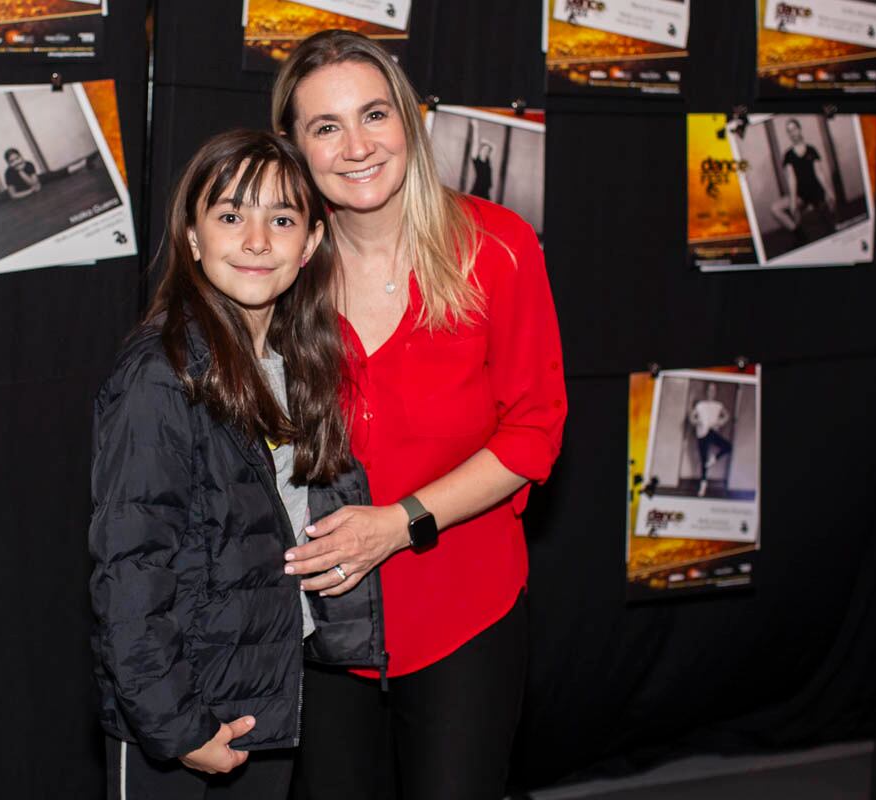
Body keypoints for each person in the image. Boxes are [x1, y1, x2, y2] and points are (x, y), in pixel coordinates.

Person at [271, 29, 567, 800]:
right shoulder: (276, 269)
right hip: (319, 624)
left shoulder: (498, 248)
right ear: (296, 150)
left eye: (375, 115)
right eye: (326, 127)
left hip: (464, 611)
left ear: (410, 119)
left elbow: (534, 433)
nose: (357, 145)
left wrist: (397, 523)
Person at [88, 130, 386, 800]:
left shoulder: (299, 364)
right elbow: (129, 570)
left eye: (281, 220)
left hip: (264, 695)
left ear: (310, 243)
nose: (257, 241)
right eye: (230, 216)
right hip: (181, 713)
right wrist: (176, 726)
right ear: (193, 237)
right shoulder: (161, 376)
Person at [769, 118, 836, 236]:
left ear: (799, 130)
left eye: (794, 129)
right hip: (800, 196)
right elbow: (792, 179)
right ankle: (797, 232)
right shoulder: (788, 155)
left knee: (829, 226)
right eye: (789, 131)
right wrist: (793, 203)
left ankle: (829, 226)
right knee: (775, 208)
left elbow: (819, 173)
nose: (792, 133)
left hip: (816, 193)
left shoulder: (811, 150)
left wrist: (829, 192)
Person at [689, 382, 732, 498]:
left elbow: (726, 415)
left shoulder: (718, 405)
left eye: (713, 390)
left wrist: (720, 422)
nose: (711, 392)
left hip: (712, 432)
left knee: (728, 447)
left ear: (715, 392)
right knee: (703, 461)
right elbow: (692, 418)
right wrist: (698, 422)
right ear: (706, 391)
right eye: (709, 390)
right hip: (702, 433)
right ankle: (703, 487)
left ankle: (714, 458)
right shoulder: (700, 405)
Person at [468, 120, 494, 201]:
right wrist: (476, 127)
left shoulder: (488, 161)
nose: (485, 151)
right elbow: (475, 142)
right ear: (480, 150)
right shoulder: (476, 160)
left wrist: (486, 142)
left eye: (487, 150)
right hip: (477, 192)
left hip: (486, 194)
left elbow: (494, 147)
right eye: (483, 149)